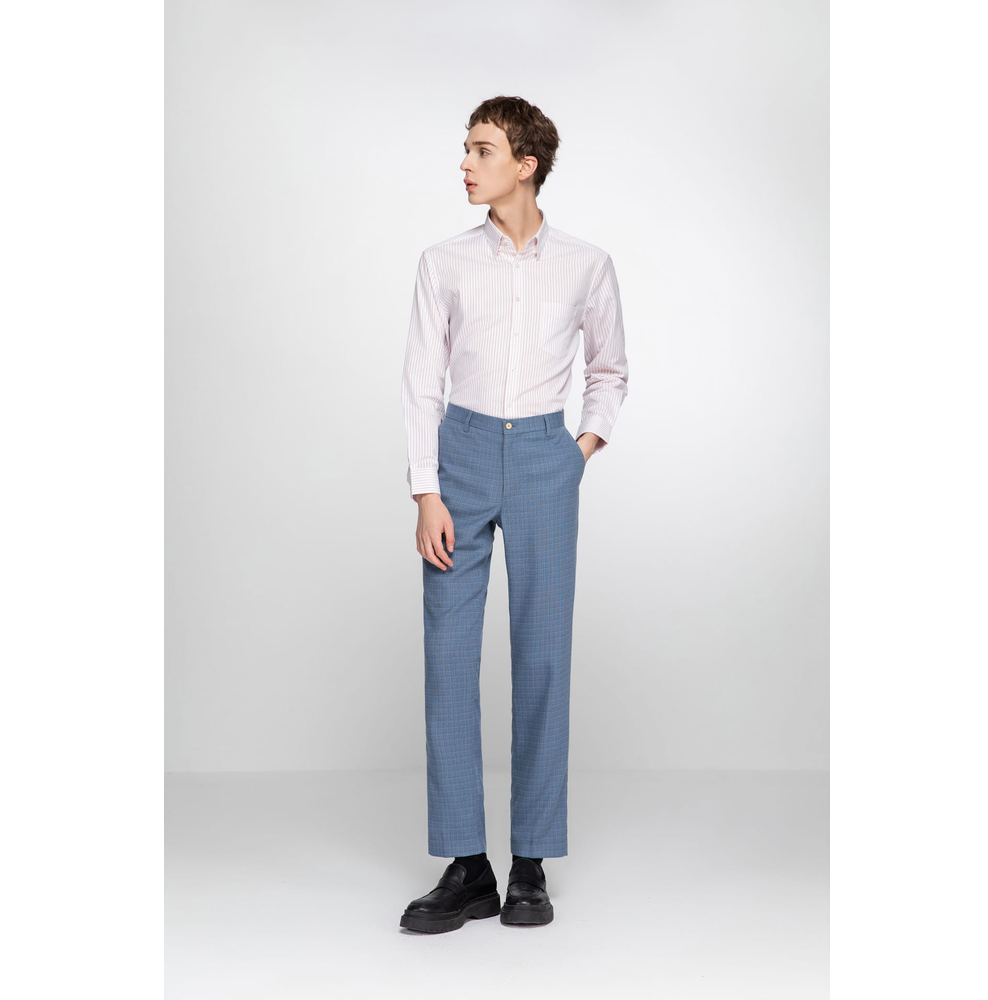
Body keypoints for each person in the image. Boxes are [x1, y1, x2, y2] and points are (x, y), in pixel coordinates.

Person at [398, 95, 629, 933]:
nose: (465, 164)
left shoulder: (586, 264)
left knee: (542, 658)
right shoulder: (444, 261)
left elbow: (609, 370)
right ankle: (468, 865)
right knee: (449, 661)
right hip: (459, 456)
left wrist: (578, 451)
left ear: (525, 164)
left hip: (541, 457)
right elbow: (422, 379)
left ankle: (529, 859)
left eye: (482, 150)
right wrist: (426, 489)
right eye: (466, 149)